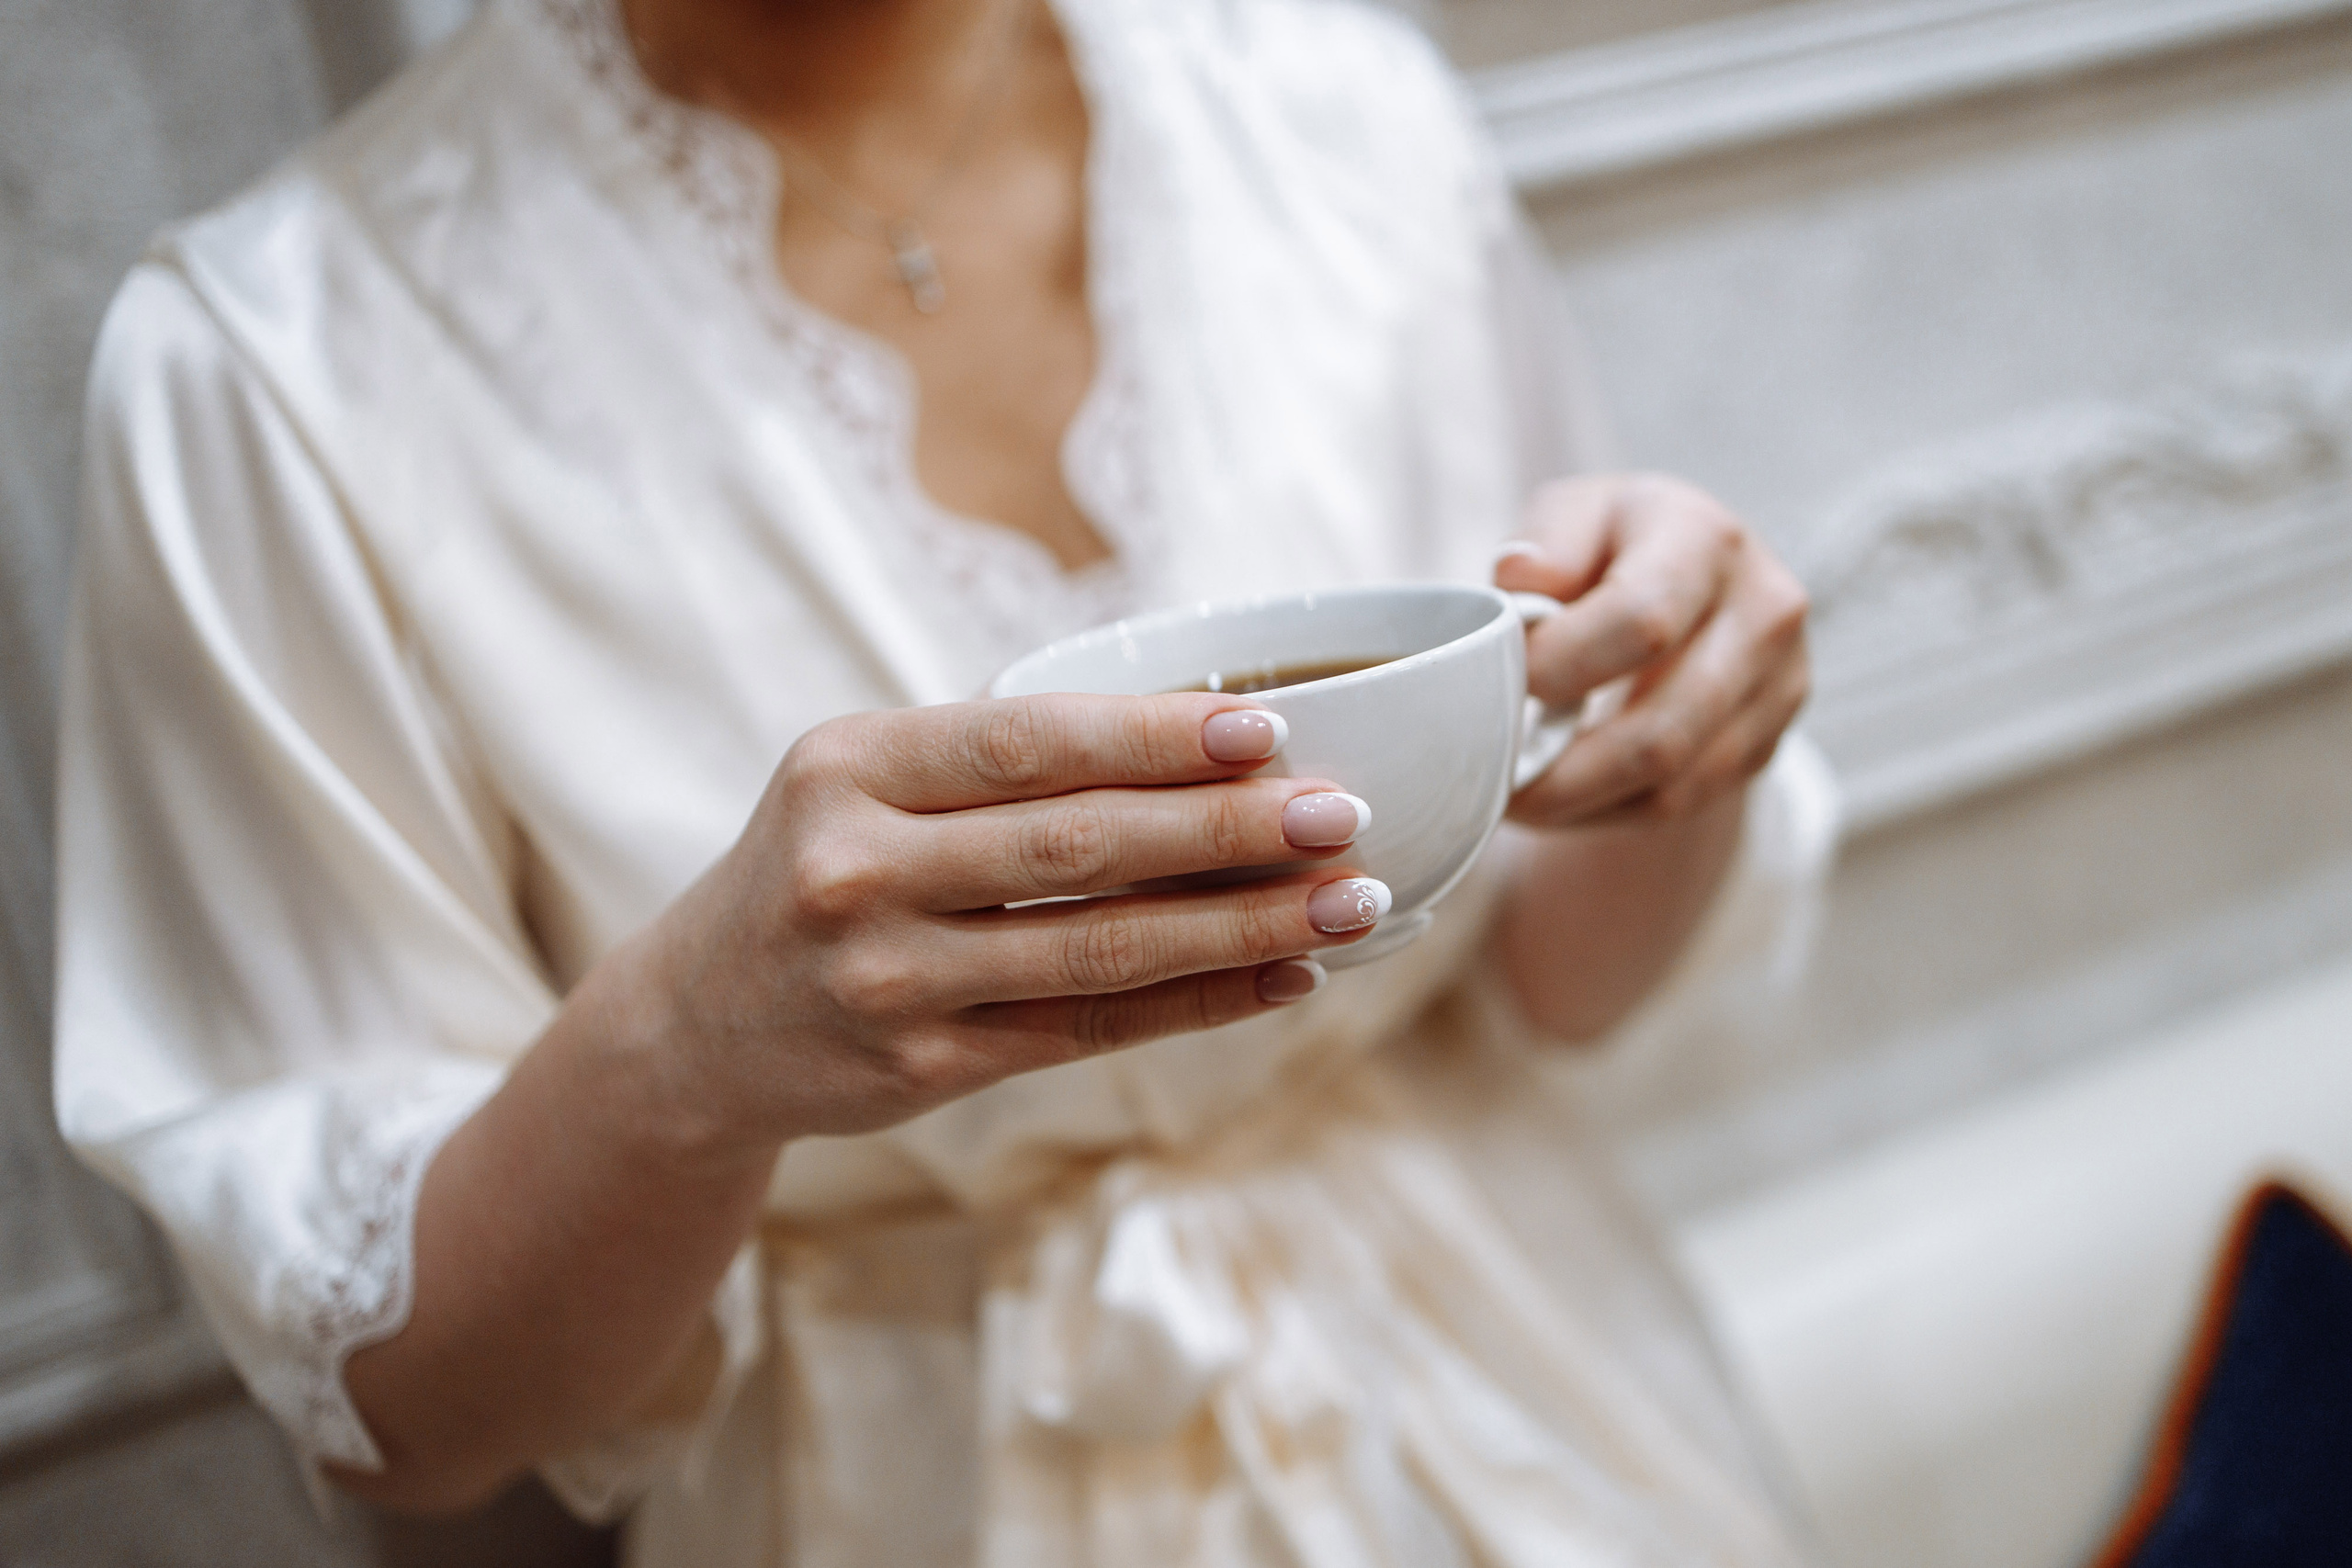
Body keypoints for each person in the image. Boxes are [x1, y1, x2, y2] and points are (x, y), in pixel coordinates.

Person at [53, 0, 1832, 1562]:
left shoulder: (1340, 112)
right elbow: (418, 1420)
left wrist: (1681, 727)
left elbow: (1560, 984)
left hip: (1525, 1384)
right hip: (897, 1496)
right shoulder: (271, 364)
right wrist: (688, 1048)